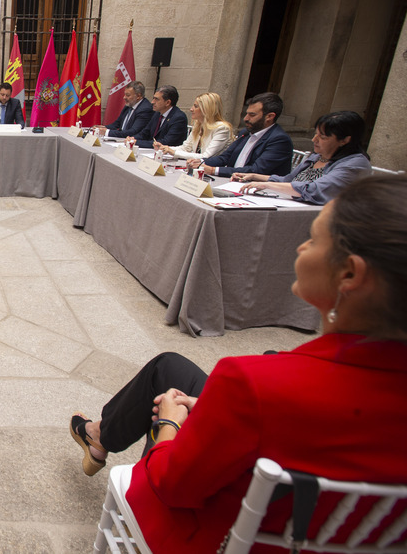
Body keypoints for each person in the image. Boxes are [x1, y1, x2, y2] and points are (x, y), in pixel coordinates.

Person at [68, 174, 407, 552]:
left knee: (169, 389)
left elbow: (171, 486)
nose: (301, 248)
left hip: (225, 537)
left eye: (313, 239)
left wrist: (169, 422)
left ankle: (102, 435)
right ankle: (101, 433)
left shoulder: (253, 383)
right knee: (170, 367)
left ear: (349, 274)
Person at [238, 110, 371, 204]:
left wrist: (267, 185)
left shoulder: (355, 164)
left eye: (323, 137)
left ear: (345, 140)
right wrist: (255, 176)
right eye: (316, 134)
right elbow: (288, 180)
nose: (314, 140)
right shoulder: (317, 157)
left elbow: (313, 190)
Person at [189, 92, 293, 177]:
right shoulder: (246, 133)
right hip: (232, 180)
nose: (246, 118)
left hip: (258, 190)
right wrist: (200, 162)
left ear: (269, 117)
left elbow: (256, 170)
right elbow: (225, 157)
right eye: (247, 113)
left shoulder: (279, 140)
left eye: (252, 115)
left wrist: (214, 170)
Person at [155, 92, 232, 160]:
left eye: (196, 106)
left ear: (206, 109)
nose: (191, 109)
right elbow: (185, 148)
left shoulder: (222, 128)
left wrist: (173, 152)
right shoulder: (198, 125)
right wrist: (165, 148)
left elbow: (206, 156)